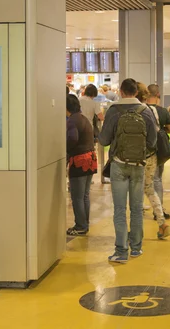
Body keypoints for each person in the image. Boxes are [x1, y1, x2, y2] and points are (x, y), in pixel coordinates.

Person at [99, 78, 157, 263]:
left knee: (119, 209)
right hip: (139, 165)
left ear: (122, 92)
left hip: (118, 164)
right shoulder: (146, 110)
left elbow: (104, 140)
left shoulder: (114, 110)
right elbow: (153, 142)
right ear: (136, 92)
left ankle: (121, 251)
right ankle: (136, 248)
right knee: (137, 208)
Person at [136, 82, 170, 240]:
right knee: (151, 187)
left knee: (134, 189)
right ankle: (162, 221)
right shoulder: (154, 111)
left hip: (136, 156)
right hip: (153, 154)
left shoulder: (135, 110)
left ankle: (135, 232)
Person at [66, 95, 97, 236]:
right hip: (90, 159)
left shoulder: (72, 120)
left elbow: (72, 138)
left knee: (77, 196)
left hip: (79, 160)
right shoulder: (83, 118)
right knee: (84, 195)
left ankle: (80, 226)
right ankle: (85, 223)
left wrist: (66, 150)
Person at [147, 84, 170, 219]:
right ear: (158, 95)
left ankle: (137, 208)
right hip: (158, 150)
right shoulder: (163, 111)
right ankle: (159, 211)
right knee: (157, 179)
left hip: (142, 149)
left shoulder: (141, 110)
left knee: (140, 180)